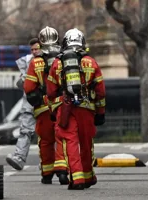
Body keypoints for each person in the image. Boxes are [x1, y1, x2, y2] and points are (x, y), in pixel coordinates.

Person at [46, 28, 106, 190]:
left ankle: (77, 178)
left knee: (70, 142)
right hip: (86, 108)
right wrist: (100, 112)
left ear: (65, 42)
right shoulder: (91, 62)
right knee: (86, 142)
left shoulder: (58, 63)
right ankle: (88, 176)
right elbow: (100, 91)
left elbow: (51, 91)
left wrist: (53, 110)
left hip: (65, 108)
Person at [23, 26, 69, 185]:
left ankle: (47, 173)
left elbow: (29, 88)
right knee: (62, 138)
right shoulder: (63, 58)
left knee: (45, 141)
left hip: (43, 108)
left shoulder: (35, 62)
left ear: (40, 42)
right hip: (61, 105)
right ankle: (63, 171)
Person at [6, 38, 41, 171]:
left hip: (44, 102)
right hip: (30, 102)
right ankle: (19, 158)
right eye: (32, 49)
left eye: (36, 48)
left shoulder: (48, 60)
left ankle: (49, 162)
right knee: (25, 130)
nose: (34, 51)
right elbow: (23, 84)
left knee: (48, 133)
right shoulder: (27, 61)